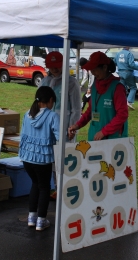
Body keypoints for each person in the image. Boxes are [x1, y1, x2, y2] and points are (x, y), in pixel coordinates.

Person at [39, 51, 81, 199]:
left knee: (64, 159)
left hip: (65, 126)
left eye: (57, 66)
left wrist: (72, 127)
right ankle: (56, 187)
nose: (55, 69)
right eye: (52, 66)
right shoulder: (45, 81)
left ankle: (66, 188)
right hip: (47, 127)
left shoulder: (71, 82)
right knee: (50, 159)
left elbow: (76, 108)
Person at [18, 86, 60, 231]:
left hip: (26, 158)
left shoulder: (27, 115)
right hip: (43, 159)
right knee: (44, 187)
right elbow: (60, 137)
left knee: (35, 184)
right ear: (50, 100)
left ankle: (32, 217)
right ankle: (41, 220)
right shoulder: (52, 116)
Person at [68, 51, 128, 141]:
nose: (92, 73)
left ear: (104, 67)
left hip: (112, 139)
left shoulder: (117, 88)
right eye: (91, 70)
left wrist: (104, 132)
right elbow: (91, 110)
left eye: (94, 69)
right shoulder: (95, 85)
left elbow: (122, 115)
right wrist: (77, 125)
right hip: (95, 135)